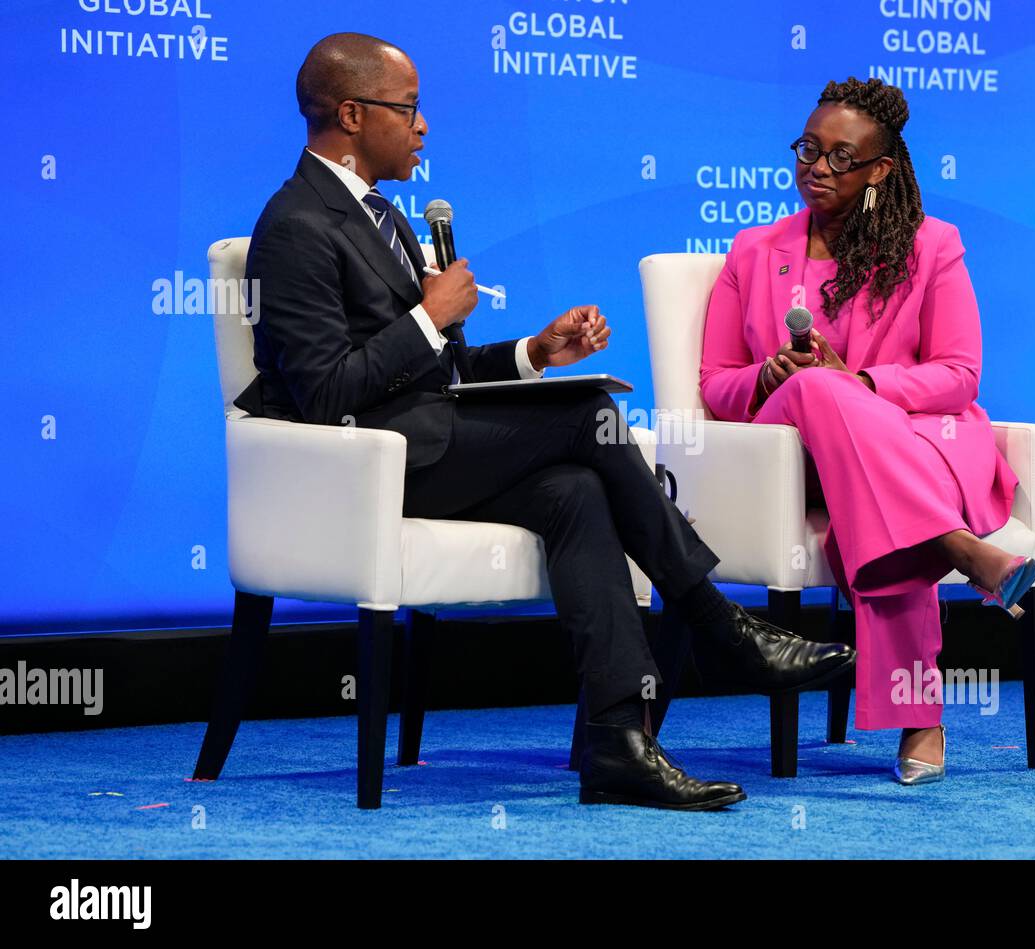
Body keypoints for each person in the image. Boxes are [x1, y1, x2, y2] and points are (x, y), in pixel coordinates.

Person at [232, 32, 856, 810]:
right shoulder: (295, 224)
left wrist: (534, 351)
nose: (424, 127)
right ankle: (717, 621)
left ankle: (618, 743)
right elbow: (326, 395)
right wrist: (427, 317)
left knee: (575, 492)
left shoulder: (383, 218)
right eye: (410, 109)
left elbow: (444, 370)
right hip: (362, 470)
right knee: (589, 416)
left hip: (432, 446)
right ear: (353, 115)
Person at [698, 77, 1035, 786]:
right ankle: (957, 570)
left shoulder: (931, 246)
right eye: (809, 150)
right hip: (786, 460)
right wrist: (770, 376)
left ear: (882, 169)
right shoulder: (754, 252)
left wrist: (866, 386)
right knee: (813, 384)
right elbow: (714, 384)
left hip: (903, 446)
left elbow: (958, 372)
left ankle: (924, 688)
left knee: (865, 464)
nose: (816, 168)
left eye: (841, 157)